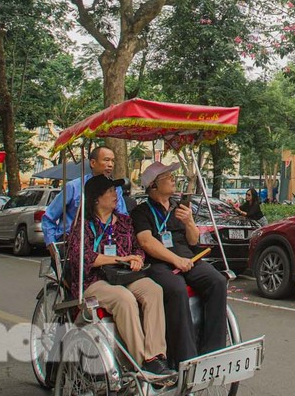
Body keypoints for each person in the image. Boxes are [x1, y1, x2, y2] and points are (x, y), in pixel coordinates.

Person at [67, 174, 173, 377]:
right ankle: (140, 361)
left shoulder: (124, 221)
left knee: (153, 290)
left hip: (125, 276)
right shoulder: (83, 224)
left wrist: (137, 259)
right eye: (109, 191)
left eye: (115, 190)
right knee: (124, 299)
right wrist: (120, 259)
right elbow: (83, 257)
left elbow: (137, 248)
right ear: (97, 198)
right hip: (95, 280)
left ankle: (156, 356)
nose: (115, 195)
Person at [131, 162, 228, 366]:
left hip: (188, 257)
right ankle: (184, 357)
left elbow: (193, 240)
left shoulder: (179, 208)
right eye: (167, 177)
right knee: (176, 290)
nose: (173, 179)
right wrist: (175, 260)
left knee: (217, 281)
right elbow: (146, 242)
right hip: (159, 264)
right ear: (154, 186)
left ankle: (213, 349)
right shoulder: (141, 212)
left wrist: (190, 222)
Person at [41, 146, 128, 245]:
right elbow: (49, 217)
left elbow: (123, 216)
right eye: (106, 160)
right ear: (93, 163)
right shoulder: (73, 187)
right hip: (70, 243)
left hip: (104, 243)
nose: (110, 165)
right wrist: (51, 243)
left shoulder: (116, 189)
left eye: (112, 161)